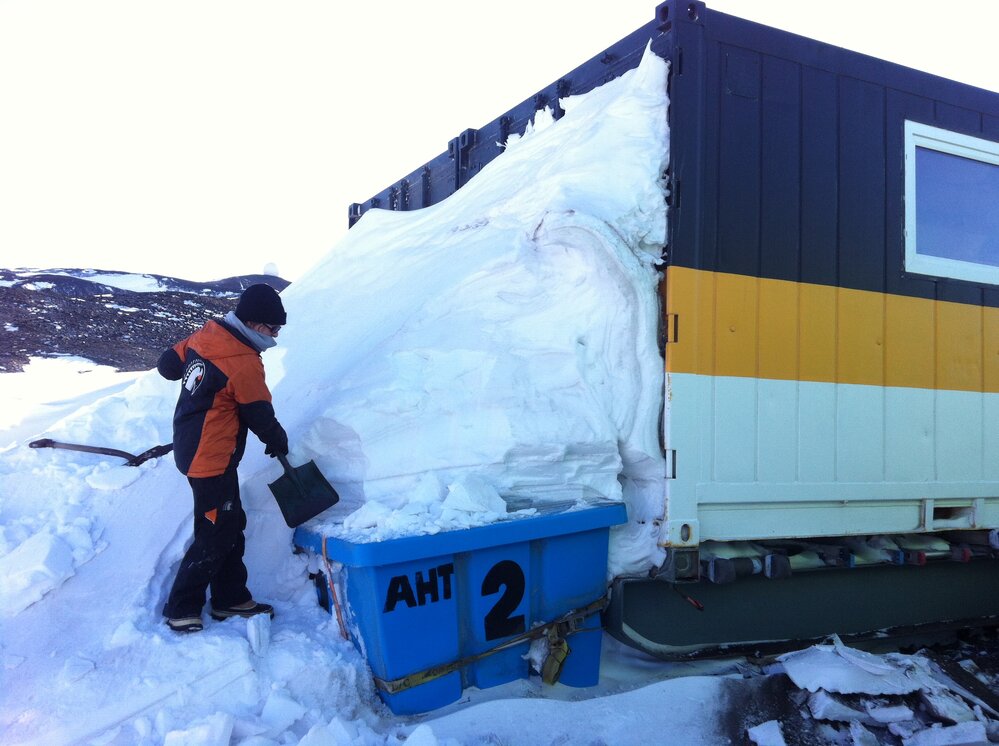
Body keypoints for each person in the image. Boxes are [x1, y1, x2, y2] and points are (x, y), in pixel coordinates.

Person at [157, 283, 290, 633]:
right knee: (215, 533)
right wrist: (277, 439)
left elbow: (168, 364)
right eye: (274, 328)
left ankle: (231, 598)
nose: (275, 335)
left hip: (193, 445)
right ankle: (181, 607)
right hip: (210, 458)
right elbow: (259, 412)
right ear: (256, 324)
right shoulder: (243, 362)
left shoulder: (209, 335)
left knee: (229, 524)